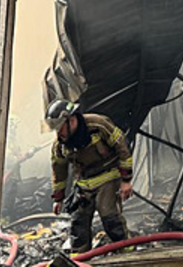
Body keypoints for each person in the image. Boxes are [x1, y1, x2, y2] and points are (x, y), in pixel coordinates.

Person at [46, 100, 134, 253]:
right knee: (78, 222)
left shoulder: (98, 125)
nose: (58, 133)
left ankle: (127, 251)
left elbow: (122, 147)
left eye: (60, 127)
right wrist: (58, 198)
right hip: (84, 183)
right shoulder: (60, 145)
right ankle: (79, 258)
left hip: (108, 175)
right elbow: (58, 169)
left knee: (109, 216)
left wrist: (126, 180)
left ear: (72, 120)